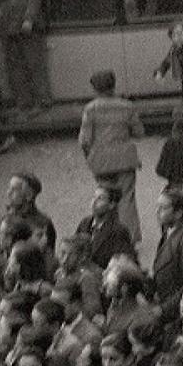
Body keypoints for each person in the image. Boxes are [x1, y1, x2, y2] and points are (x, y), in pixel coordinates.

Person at [78, 67, 142, 245]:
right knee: (127, 198)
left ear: (95, 89)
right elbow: (139, 132)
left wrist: (90, 158)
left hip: (101, 161)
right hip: (125, 159)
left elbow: (84, 140)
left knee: (104, 198)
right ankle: (129, 238)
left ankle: (105, 235)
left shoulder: (90, 109)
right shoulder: (127, 106)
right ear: (114, 85)